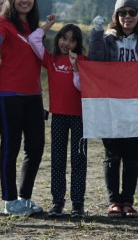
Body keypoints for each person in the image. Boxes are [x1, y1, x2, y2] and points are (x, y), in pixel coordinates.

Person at [88, 0, 138, 218]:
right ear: (116, 15)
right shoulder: (109, 40)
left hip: (137, 107)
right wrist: (97, 33)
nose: (127, 17)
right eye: (122, 12)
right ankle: (113, 203)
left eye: (132, 12)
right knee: (112, 154)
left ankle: (128, 201)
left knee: (132, 155)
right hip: (111, 105)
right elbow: (94, 60)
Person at [0, 0, 55, 217]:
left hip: (33, 95)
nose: (24, 0)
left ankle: (24, 198)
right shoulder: (4, 22)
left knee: (36, 147)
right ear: (12, 0)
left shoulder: (34, 27)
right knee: (11, 147)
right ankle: (9, 200)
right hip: (8, 95)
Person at [24, 23, 88, 218]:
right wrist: (47, 26)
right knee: (58, 159)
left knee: (79, 160)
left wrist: (76, 67)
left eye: (72, 40)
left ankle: (77, 204)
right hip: (58, 116)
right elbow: (33, 40)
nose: (67, 43)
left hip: (80, 117)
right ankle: (57, 202)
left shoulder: (83, 61)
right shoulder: (51, 60)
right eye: (63, 38)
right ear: (58, 39)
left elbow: (81, 87)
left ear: (78, 43)